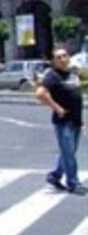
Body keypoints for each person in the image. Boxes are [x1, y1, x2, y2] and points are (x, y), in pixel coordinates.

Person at [36, 48, 84, 194]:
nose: (62, 59)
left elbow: (76, 97)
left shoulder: (72, 74)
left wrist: (80, 121)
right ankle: (73, 183)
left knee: (68, 152)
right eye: (58, 57)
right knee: (69, 154)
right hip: (63, 122)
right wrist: (57, 108)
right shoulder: (53, 75)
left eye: (64, 55)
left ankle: (55, 176)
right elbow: (40, 93)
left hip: (75, 121)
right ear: (54, 61)